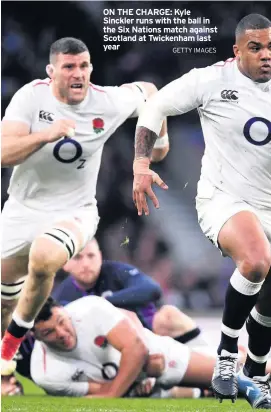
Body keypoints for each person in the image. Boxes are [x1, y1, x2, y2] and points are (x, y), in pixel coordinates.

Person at [131, 13, 271, 408]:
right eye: (255, 47)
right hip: (222, 197)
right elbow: (155, 106)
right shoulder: (210, 80)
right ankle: (227, 355)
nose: (266, 55)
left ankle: (257, 370)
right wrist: (142, 165)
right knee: (254, 262)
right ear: (237, 51)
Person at [0, 36, 169, 375]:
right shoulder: (31, 97)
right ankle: (8, 365)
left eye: (84, 66)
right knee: (4, 298)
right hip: (22, 208)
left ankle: (9, 350)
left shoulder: (106, 101)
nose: (78, 74)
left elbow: (151, 92)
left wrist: (153, 149)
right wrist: (45, 136)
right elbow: (4, 153)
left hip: (75, 210)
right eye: (69, 67)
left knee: (45, 258)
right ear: (52, 72)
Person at [29, 296, 271, 404]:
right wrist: (126, 384)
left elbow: (136, 346)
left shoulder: (89, 307)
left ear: (64, 311)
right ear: (35, 337)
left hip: (157, 356)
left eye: (60, 322)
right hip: (138, 381)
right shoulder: (45, 372)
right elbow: (95, 393)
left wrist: (118, 386)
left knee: (227, 374)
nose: (61, 333)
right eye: (49, 333)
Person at [53, 237, 209, 347]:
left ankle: (214, 363)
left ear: (100, 257)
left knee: (168, 314)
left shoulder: (115, 271)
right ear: (66, 264)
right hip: (106, 350)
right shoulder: (64, 294)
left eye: (91, 256)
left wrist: (100, 303)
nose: (86, 263)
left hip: (149, 336)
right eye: (78, 258)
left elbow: (152, 289)